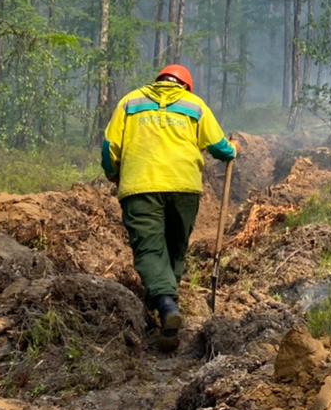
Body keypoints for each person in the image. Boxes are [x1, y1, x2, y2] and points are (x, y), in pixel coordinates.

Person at [101, 63, 235, 343]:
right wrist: (233, 149)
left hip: (140, 187)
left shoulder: (130, 101)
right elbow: (220, 147)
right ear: (186, 86)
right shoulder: (195, 105)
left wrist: (114, 173)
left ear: (159, 81)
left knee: (149, 248)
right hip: (184, 188)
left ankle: (165, 304)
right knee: (175, 247)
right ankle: (169, 320)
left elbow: (109, 147)